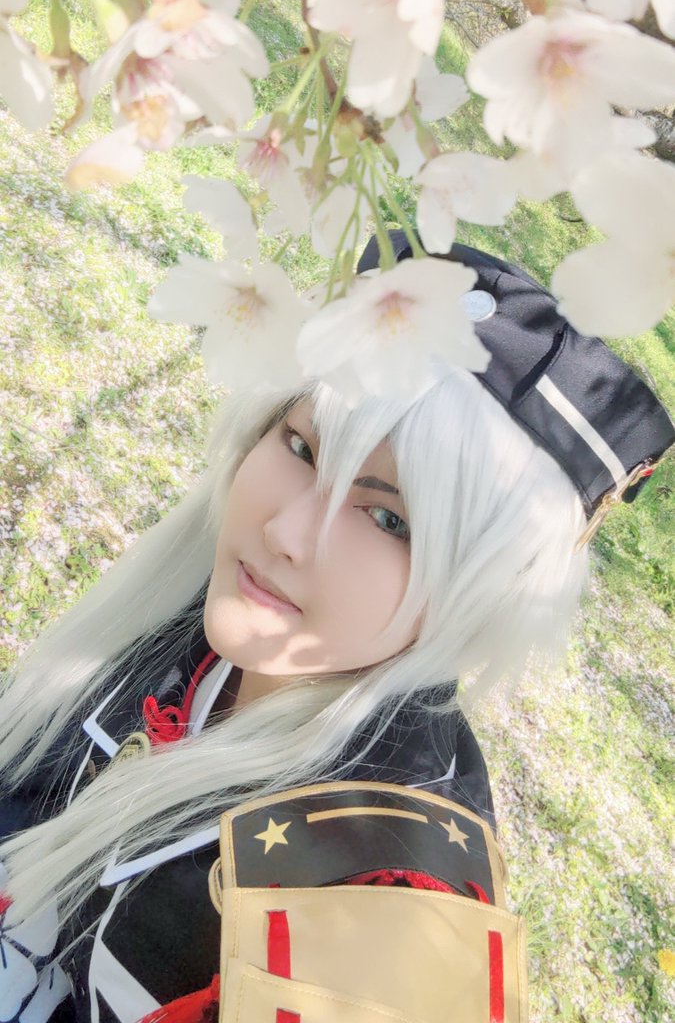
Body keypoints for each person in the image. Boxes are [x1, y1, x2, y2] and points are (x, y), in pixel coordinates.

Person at [0, 231, 672, 1023]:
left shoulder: (385, 905)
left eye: (389, 518)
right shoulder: (208, 625)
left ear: (484, 591)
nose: (286, 532)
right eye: (301, 446)